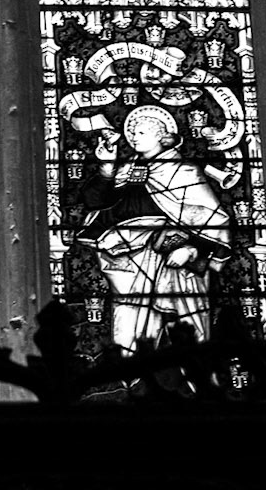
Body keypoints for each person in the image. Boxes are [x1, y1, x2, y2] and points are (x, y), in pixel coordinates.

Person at [71, 102, 231, 349]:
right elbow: (96, 203)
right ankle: (130, 372)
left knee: (186, 331)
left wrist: (191, 250)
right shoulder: (127, 170)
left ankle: (192, 371)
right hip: (126, 257)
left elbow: (214, 220)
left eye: (141, 132)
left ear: (162, 137)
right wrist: (107, 168)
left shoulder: (184, 171)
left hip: (174, 259)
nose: (134, 137)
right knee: (127, 331)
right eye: (132, 132)